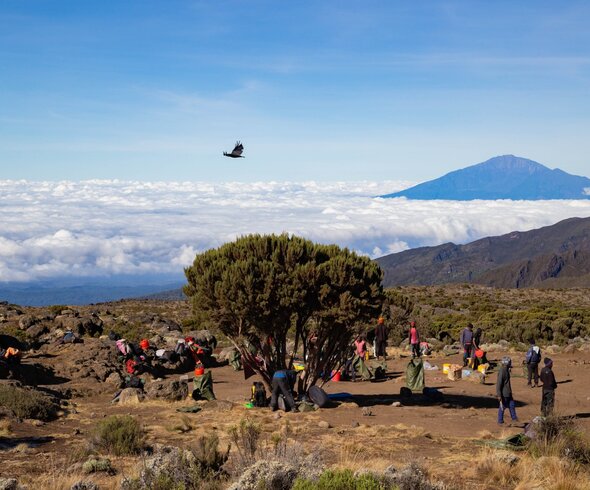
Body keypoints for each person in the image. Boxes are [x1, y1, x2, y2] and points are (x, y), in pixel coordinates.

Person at [496, 356, 518, 425]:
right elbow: (499, 383)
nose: (511, 363)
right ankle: (500, 421)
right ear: (507, 363)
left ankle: (514, 419)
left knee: (512, 405)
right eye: (510, 362)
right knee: (503, 406)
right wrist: (499, 395)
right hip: (504, 393)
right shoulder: (502, 371)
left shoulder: (506, 369)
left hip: (508, 392)